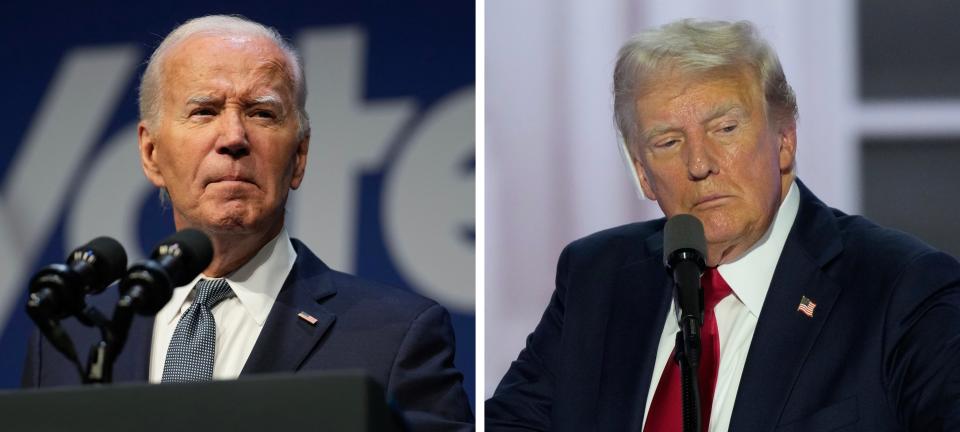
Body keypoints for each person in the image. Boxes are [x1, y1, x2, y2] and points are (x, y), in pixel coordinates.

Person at [486, 19, 960, 431]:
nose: (699, 163)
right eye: (668, 142)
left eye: (725, 129)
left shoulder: (900, 289)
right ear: (641, 173)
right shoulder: (597, 277)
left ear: (785, 141)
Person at [22, 14, 473, 429]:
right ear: (151, 153)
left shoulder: (395, 336)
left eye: (262, 113)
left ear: (299, 156)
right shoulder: (71, 343)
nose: (234, 138)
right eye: (204, 111)